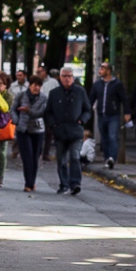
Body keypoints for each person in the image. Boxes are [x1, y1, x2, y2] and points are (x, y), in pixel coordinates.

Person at [44, 64, 93, 195]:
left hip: (75, 131)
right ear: (60, 78)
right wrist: (53, 125)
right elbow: (48, 112)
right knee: (62, 160)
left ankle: (75, 183)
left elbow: (87, 109)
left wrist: (81, 120)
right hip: (60, 132)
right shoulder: (54, 93)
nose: (67, 79)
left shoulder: (80, 91)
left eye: (69, 76)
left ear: (73, 77)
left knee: (75, 157)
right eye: (64, 76)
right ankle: (64, 184)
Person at [12, 74, 49, 193]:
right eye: (34, 85)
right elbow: (12, 109)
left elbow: (41, 112)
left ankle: (32, 182)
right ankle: (28, 183)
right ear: (29, 85)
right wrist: (16, 121)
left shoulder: (43, 98)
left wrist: (29, 111)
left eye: (39, 86)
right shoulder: (21, 95)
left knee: (35, 157)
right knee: (27, 157)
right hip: (23, 129)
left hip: (38, 130)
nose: (36, 88)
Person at [90, 65, 127, 170]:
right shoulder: (97, 84)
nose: (100, 70)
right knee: (104, 138)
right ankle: (107, 159)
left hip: (113, 115)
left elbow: (124, 98)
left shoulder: (117, 84)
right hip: (101, 115)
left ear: (109, 71)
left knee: (112, 136)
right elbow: (91, 98)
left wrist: (127, 112)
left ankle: (112, 158)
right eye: (100, 68)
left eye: (102, 68)